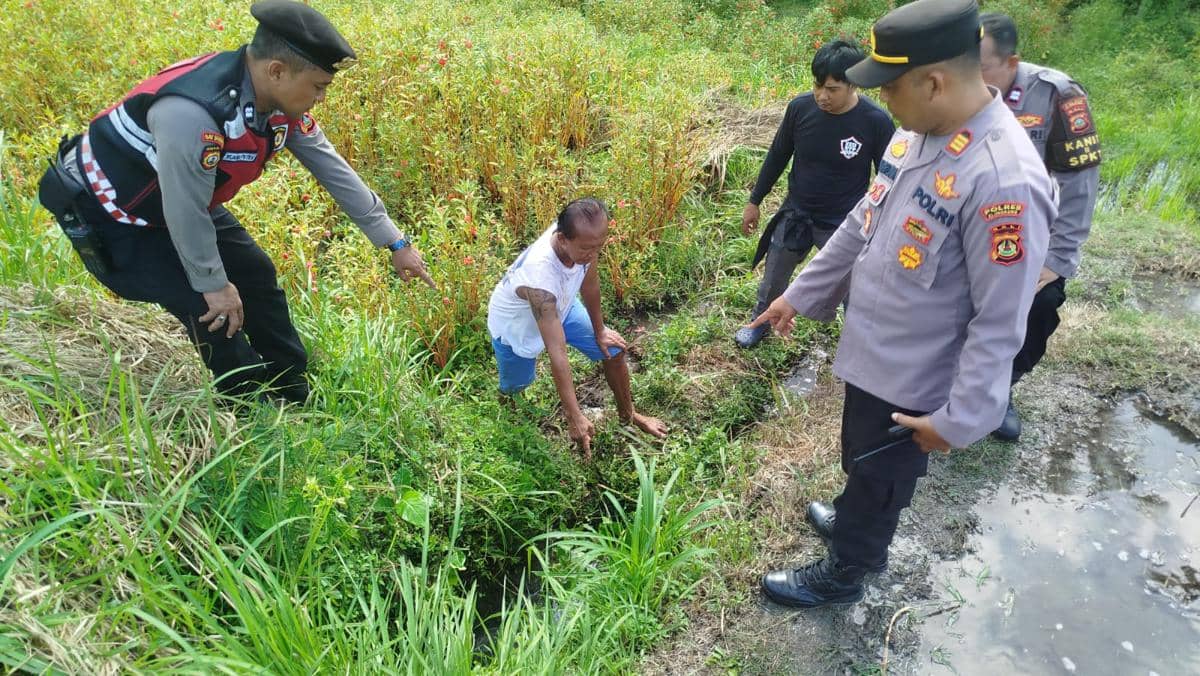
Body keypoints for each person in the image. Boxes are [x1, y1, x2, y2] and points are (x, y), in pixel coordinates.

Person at [750, 0, 1057, 608]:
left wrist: (961, 418)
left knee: (882, 476)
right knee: (860, 460)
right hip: (872, 351)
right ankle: (850, 517)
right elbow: (863, 222)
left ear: (933, 82)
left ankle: (847, 571)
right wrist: (799, 294)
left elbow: (1001, 321)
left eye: (888, 87)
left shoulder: (1003, 180)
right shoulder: (917, 136)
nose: (881, 100)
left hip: (916, 377)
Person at [36, 0, 433, 404]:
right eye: (317, 87)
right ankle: (249, 408)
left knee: (255, 274)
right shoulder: (195, 113)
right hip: (115, 212)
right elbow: (183, 210)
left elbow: (332, 168)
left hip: (179, 196)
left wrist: (394, 242)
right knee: (209, 307)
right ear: (276, 71)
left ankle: (292, 391)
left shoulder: (277, 103)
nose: (321, 98)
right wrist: (213, 283)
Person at [980, 12, 1101, 441]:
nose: (974, 80)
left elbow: (1079, 185)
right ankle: (960, 387)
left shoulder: (1056, 96)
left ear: (1011, 62)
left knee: (1036, 311)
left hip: (1034, 240)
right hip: (980, 230)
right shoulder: (965, 96)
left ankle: (1002, 392)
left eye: (982, 68)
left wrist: (1058, 258)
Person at [735, 40, 895, 348]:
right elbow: (778, 154)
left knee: (853, 288)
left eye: (832, 88)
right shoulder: (800, 108)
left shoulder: (874, 122)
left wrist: (881, 227)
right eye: (817, 86)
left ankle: (857, 341)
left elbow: (888, 180)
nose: (822, 96)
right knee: (773, 280)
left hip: (844, 223)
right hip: (797, 213)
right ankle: (761, 323)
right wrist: (754, 200)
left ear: (853, 84)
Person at [486, 198, 668, 459]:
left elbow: (589, 285)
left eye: (598, 246)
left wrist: (600, 329)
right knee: (517, 384)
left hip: (562, 305)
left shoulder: (584, 243)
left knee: (613, 351)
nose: (593, 254)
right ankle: (510, 414)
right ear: (561, 240)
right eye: (587, 249)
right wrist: (574, 415)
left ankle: (629, 416)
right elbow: (557, 352)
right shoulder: (539, 279)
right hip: (516, 330)